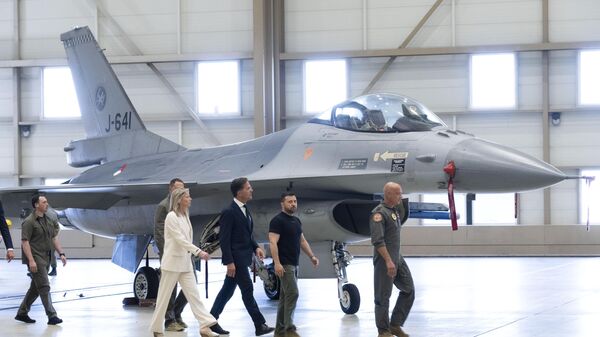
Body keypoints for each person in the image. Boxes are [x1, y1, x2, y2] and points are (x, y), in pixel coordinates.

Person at [209, 177, 275, 336]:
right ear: (239, 192)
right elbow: (224, 240)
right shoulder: (229, 212)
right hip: (236, 260)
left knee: (227, 291)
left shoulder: (244, 209)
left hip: (243, 257)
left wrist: (256, 247)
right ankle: (259, 325)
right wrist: (229, 262)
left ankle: (210, 321)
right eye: (248, 187)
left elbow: (247, 234)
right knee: (247, 289)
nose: (251, 190)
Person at [150, 188, 219, 337]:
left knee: (194, 296)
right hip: (172, 264)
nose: (191, 199)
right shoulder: (171, 217)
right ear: (180, 199)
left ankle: (205, 326)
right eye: (188, 197)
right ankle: (156, 328)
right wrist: (199, 252)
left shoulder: (185, 216)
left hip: (185, 264)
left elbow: (186, 239)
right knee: (163, 298)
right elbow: (180, 239)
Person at [268, 193, 319, 337]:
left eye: (295, 201)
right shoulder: (277, 221)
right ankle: (289, 328)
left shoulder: (296, 221)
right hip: (284, 264)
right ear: (282, 204)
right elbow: (273, 242)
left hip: (294, 264)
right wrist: (277, 263)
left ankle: (279, 332)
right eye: (290, 201)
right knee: (293, 293)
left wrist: (312, 256)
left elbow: (302, 241)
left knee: (285, 298)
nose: (293, 204)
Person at [370, 182, 414, 337]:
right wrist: (388, 261)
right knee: (383, 296)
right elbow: (377, 241)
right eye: (398, 194)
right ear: (388, 195)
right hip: (385, 260)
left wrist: (395, 259)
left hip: (397, 257)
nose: (400, 197)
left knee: (409, 289)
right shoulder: (379, 214)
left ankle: (394, 324)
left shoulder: (393, 211)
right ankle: (383, 331)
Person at [15, 194, 67, 325]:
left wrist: (61, 253)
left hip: (47, 257)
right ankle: (52, 316)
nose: (47, 204)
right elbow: (25, 242)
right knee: (44, 287)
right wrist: (31, 261)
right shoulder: (29, 221)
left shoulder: (48, 220)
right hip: (36, 258)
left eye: (47, 202)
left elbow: (54, 238)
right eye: (44, 202)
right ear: (36, 205)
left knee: (35, 288)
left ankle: (22, 313)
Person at [154, 178, 189, 332]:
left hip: (184, 253)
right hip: (170, 254)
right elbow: (159, 233)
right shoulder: (163, 206)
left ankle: (177, 312)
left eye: (182, 189)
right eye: (177, 189)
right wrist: (166, 254)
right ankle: (169, 321)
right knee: (170, 287)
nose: (180, 192)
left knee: (190, 286)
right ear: (170, 189)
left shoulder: (183, 207)